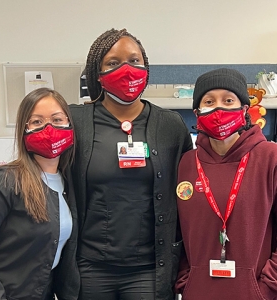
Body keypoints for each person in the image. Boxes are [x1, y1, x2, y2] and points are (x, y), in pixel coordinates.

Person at [69, 28, 193, 300]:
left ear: (146, 67)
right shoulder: (75, 122)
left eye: (135, 61)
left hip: (149, 268)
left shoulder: (170, 125)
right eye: (113, 63)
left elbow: (188, 188)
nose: (126, 69)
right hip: (90, 266)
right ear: (97, 74)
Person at [175, 68, 277, 300]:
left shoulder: (270, 158)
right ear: (197, 112)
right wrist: (186, 280)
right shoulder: (187, 163)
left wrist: (268, 287)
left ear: (243, 109)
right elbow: (177, 231)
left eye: (228, 100)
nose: (219, 109)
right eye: (209, 101)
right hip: (198, 291)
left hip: (254, 293)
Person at [0, 88, 79, 300]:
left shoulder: (67, 184)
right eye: (37, 122)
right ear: (23, 130)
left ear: (70, 125)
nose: (49, 128)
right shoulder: (6, 181)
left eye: (57, 119)